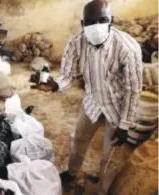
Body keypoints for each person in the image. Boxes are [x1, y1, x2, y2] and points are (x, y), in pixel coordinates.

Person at [29, 0, 143, 194]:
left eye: (103, 20)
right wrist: (55, 85)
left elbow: (133, 90)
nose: (96, 26)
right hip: (91, 102)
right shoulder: (75, 43)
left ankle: (102, 188)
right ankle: (72, 173)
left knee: (109, 155)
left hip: (117, 108)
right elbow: (67, 75)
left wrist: (125, 125)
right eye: (90, 22)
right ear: (83, 24)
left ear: (111, 21)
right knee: (79, 140)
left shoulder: (127, 48)